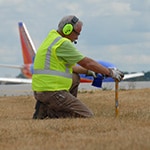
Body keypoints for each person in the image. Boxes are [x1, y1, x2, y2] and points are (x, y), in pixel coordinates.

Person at [32, 15, 124, 119]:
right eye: (77, 34)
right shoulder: (62, 44)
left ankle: (45, 107)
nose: (77, 37)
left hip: (42, 91)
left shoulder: (51, 38)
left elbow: (73, 68)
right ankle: (51, 111)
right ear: (68, 30)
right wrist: (110, 72)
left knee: (74, 77)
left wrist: (90, 72)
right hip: (53, 92)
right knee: (87, 116)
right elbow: (86, 62)